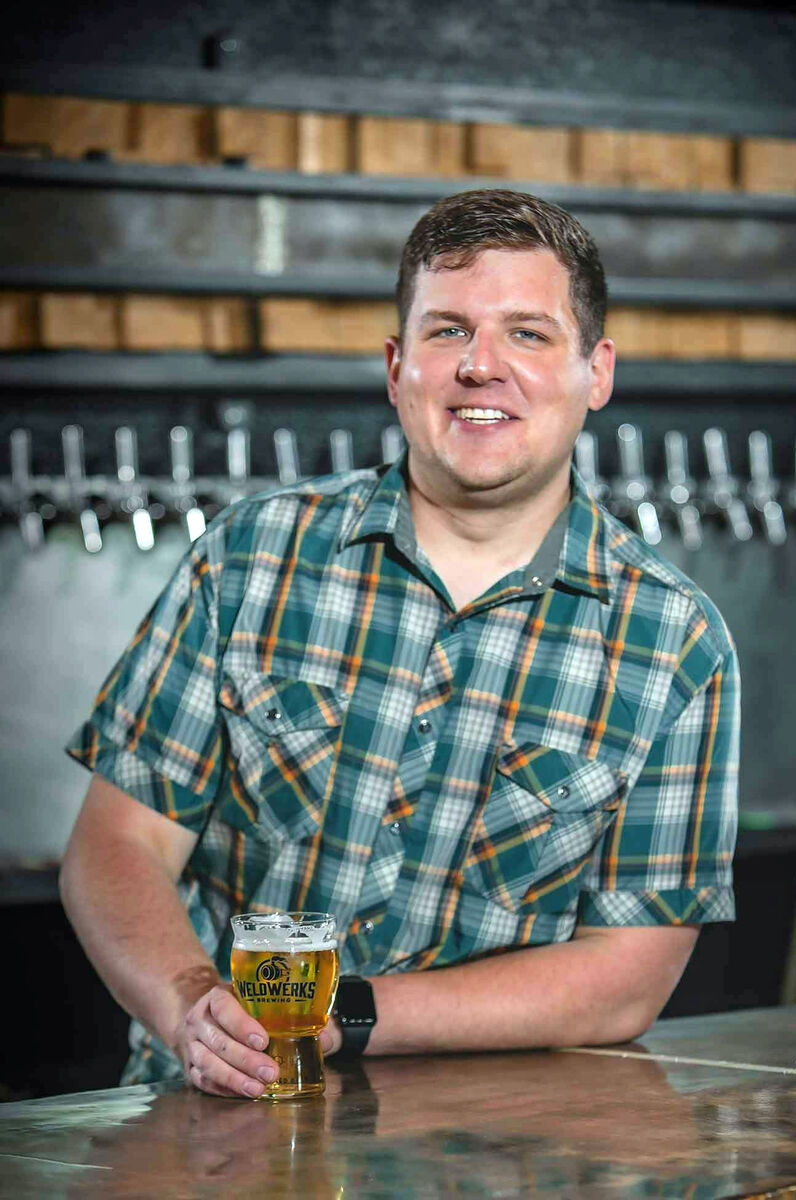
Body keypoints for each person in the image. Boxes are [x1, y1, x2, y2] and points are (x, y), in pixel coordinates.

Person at [60, 188, 739, 1100]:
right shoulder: (254, 555)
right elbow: (118, 842)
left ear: (596, 371)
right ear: (395, 366)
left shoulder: (673, 642)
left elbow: (628, 974)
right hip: (217, 1116)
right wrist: (190, 1005)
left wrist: (348, 1014)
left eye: (529, 335)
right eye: (446, 331)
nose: (480, 368)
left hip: (501, 1148)